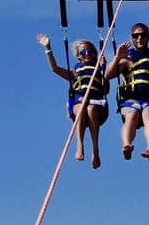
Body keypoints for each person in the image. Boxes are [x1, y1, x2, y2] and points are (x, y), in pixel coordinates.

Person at [36, 33, 109, 169]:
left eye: (91, 51)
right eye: (84, 52)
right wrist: (48, 48)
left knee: (91, 108)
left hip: (97, 106)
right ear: (79, 56)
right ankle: (79, 144)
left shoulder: (99, 70)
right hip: (78, 105)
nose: (88, 54)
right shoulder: (75, 73)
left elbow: (106, 89)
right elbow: (55, 69)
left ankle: (95, 150)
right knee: (82, 106)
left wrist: (104, 70)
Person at [104, 23, 149, 163]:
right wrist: (117, 57)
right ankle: (127, 145)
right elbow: (108, 75)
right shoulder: (126, 57)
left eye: (143, 35)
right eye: (136, 35)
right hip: (131, 99)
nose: (139, 38)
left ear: (148, 38)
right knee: (132, 114)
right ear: (132, 37)